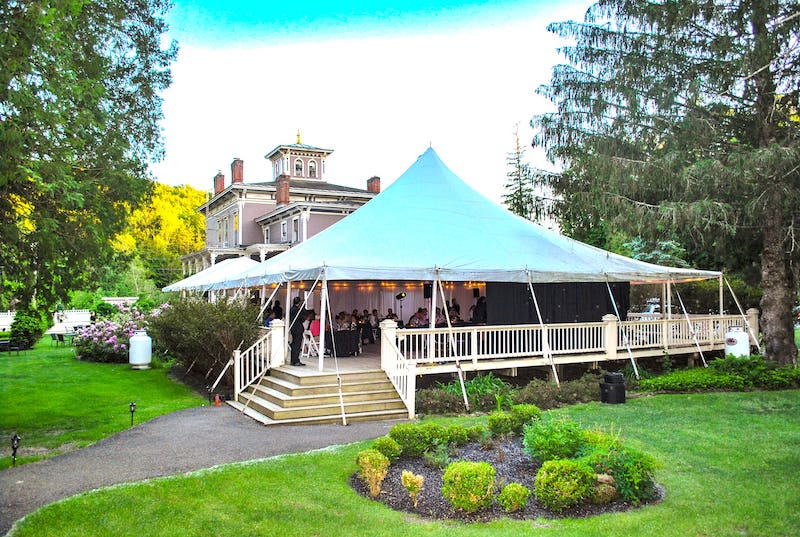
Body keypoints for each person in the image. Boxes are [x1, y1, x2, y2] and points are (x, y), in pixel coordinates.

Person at [288, 297, 305, 366]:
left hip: (293, 329)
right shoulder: (298, 310)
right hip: (298, 329)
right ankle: (296, 360)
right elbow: (302, 319)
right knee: (297, 345)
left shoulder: (291, 309)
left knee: (294, 345)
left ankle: (293, 360)